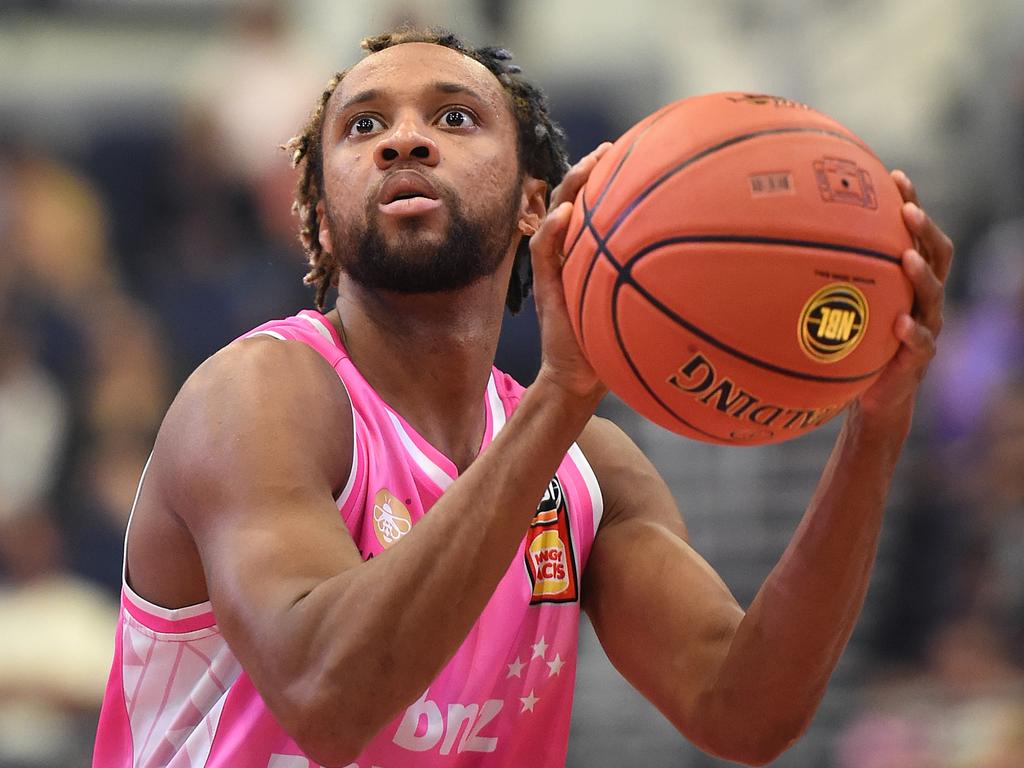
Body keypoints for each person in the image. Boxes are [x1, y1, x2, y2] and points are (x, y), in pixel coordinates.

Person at [92, 27, 954, 768]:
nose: (403, 141)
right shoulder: (259, 395)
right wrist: (562, 397)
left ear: (534, 206)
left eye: (453, 117)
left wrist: (877, 424)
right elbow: (329, 699)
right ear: (318, 219)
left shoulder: (588, 470)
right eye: (364, 127)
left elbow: (747, 711)